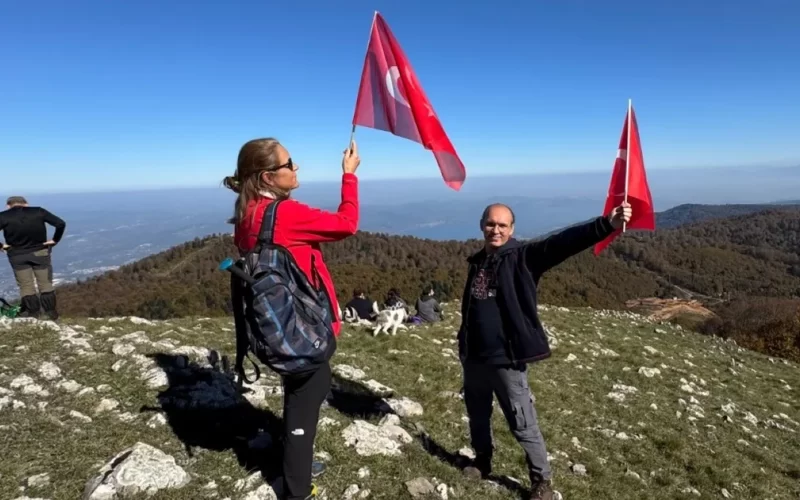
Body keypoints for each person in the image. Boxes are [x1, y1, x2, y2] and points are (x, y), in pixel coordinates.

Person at [457, 201, 632, 500]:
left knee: (523, 422)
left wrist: (605, 225)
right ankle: (482, 462)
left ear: (512, 230)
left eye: (502, 225)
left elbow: (561, 244)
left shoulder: (523, 257)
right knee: (477, 415)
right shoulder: (477, 262)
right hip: (474, 358)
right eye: (490, 224)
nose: (495, 230)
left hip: (506, 360)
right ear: (481, 225)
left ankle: (541, 482)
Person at [224, 137, 360, 500]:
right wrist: (349, 176)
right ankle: (297, 488)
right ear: (268, 177)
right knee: (307, 398)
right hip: (304, 326)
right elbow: (347, 223)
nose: (295, 168)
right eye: (289, 163)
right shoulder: (285, 214)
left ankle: (293, 460)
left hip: (276, 326)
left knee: (298, 390)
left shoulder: (247, 214)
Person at [0, 196, 66, 320]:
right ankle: (51, 314)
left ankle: (33, 314)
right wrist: (54, 240)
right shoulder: (38, 211)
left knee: (26, 286)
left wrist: (1, 245)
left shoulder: (3, 216)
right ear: (26, 204)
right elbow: (60, 223)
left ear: (8, 206)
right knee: (45, 284)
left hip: (17, 255)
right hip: (40, 252)